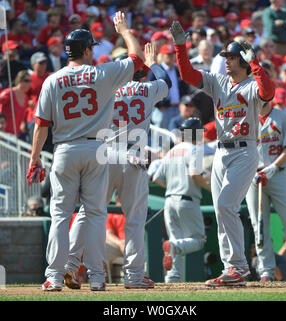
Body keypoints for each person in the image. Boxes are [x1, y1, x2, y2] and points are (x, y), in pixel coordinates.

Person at [26, 11, 145, 292]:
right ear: (88, 49)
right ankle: (96, 277)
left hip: (65, 148)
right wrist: (125, 31)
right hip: (96, 148)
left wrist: (34, 159)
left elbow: (41, 126)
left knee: (60, 215)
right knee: (95, 213)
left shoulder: (52, 80)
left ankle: (54, 276)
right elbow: (138, 58)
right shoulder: (103, 72)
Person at [169, 21, 275, 287]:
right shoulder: (217, 81)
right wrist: (181, 46)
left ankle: (238, 266)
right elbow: (188, 75)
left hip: (244, 149)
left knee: (227, 204)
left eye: (231, 57)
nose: (226, 61)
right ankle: (233, 269)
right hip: (221, 152)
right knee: (221, 209)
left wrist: (256, 64)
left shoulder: (251, 84)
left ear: (242, 59)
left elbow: (268, 93)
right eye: (225, 57)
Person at [65, 42, 171, 289]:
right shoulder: (148, 88)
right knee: (134, 219)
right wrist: (154, 61)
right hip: (132, 157)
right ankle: (134, 276)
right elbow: (167, 81)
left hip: (102, 155)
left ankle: (69, 265)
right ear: (142, 72)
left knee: (87, 212)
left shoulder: (104, 88)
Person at [245, 101, 286, 283]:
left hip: (277, 174)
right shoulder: (246, 116)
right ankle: (266, 270)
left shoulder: (284, 117)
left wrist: (273, 168)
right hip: (253, 177)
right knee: (259, 226)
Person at [152, 117, 211, 283]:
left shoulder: (172, 151)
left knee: (175, 238)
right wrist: (210, 189)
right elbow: (194, 174)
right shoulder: (195, 150)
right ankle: (175, 248)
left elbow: (156, 178)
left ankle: (172, 277)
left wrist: (173, 187)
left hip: (169, 200)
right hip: (187, 200)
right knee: (198, 240)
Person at [0, 70, 31, 137]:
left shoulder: (26, 98)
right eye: (26, 80)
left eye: (30, 81)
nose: (29, 83)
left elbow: (22, 115)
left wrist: (23, 123)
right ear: (19, 80)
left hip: (15, 136)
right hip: (3, 135)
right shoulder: (9, 93)